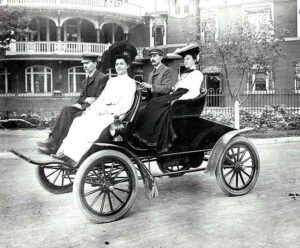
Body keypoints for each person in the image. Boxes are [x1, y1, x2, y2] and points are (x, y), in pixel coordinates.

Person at [55, 53, 136, 163]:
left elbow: (126, 105)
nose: (119, 66)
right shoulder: (112, 81)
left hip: (116, 115)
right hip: (103, 111)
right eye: (117, 64)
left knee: (91, 127)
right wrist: (91, 109)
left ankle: (77, 157)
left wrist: (107, 110)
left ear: (128, 66)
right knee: (78, 121)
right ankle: (66, 152)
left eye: (121, 64)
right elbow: (101, 98)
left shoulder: (130, 83)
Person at [133, 46, 203, 153]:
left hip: (183, 97)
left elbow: (194, 92)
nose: (185, 61)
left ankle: (151, 139)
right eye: (184, 59)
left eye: (188, 59)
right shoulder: (185, 73)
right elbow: (177, 87)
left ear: (195, 60)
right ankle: (145, 136)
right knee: (152, 102)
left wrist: (178, 99)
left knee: (155, 103)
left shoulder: (197, 74)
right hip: (176, 94)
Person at [37, 53, 109, 155]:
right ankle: (53, 142)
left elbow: (101, 98)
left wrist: (86, 101)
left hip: (95, 110)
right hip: (85, 107)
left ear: (95, 64)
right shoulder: (85, 81)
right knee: (66, 109)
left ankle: (55, 145)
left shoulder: (102, 78)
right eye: (83, 63)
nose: (84, 66)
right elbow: (80, 99)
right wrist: (86, 100)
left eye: (87, 63)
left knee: (72, 117)